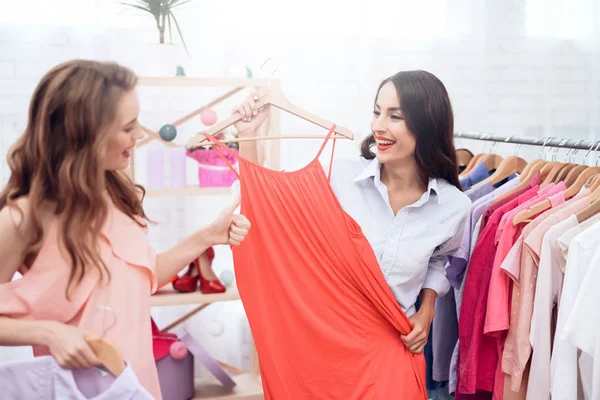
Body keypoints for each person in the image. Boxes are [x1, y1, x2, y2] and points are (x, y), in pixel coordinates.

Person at [0, 60, 251, 399]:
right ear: (84, 133)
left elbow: (141, 279)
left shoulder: (116, 192)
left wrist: (208, 235)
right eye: (128, 126)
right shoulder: (21, 218)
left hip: (139, 388)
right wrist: (50, 333)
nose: (140, 135)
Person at [231, 70, 470, 355]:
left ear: (428, 124)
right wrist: (248, 136)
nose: (378, 126)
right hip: (325, 349)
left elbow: (439, 257)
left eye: (395, 116)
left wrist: (427, 309)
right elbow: (261, 203)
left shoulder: (454, 206)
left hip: (395, 352)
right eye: (377, 112)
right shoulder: (336, 177)